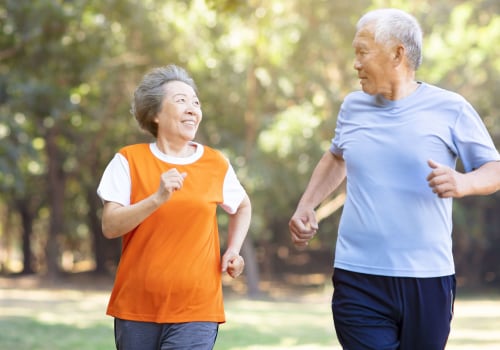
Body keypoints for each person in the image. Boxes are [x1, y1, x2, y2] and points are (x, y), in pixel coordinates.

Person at [289, 8, 500, 350]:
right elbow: (337, 156)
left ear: (398, 52)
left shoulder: (451, 108)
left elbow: (494, 169)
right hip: (357, 276)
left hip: (427, 277)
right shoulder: (353, 107)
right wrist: (306, 205)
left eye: (362, 52)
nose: (355, 64)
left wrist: (463, 183)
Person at [97, 64, 252, 350]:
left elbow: (242, 206)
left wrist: (233, 250)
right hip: (136, 305)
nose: (192, 108)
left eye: (196, 102)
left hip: (197, 306)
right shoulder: (128, 161)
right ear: (155, 114)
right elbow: (110, 225)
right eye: (181, 100)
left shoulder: (215, 164)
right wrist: (157, 198)